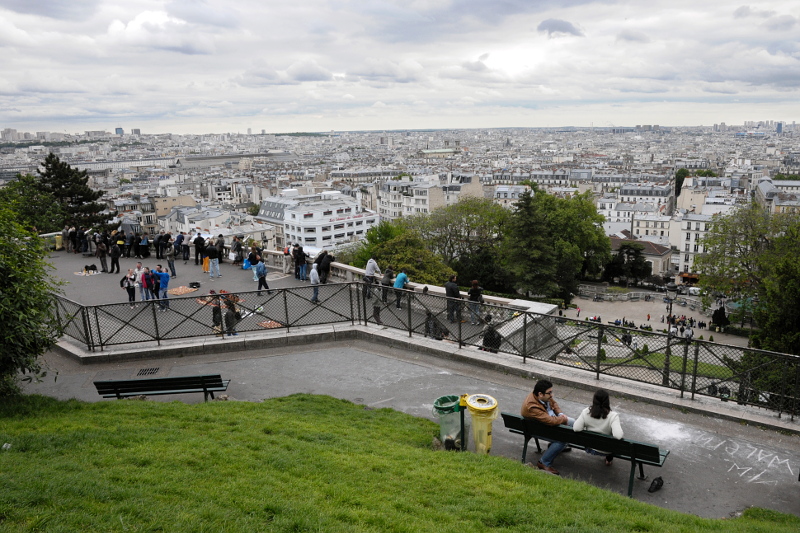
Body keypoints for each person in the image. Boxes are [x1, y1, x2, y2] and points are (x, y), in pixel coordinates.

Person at [521, 379, 574, 475]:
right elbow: (550, 421)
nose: (551, 395)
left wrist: (561, 414)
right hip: (540, 429)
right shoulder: (532, 406)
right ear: (540, 394)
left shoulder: (542, 397)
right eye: (549, 393)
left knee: (573, 424)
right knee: (563, 438)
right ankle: (544, 462)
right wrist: (563, 419)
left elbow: (554, 403)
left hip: (545, 425)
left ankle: (554, 447)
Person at [573, 389, 623, 466]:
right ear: (607, 401)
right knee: (612, 442)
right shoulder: (613, 416)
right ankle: (608, 459)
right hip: (606, 450)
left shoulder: (586, 412)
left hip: (589, 447)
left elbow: (576, 428)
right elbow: (618, 435)